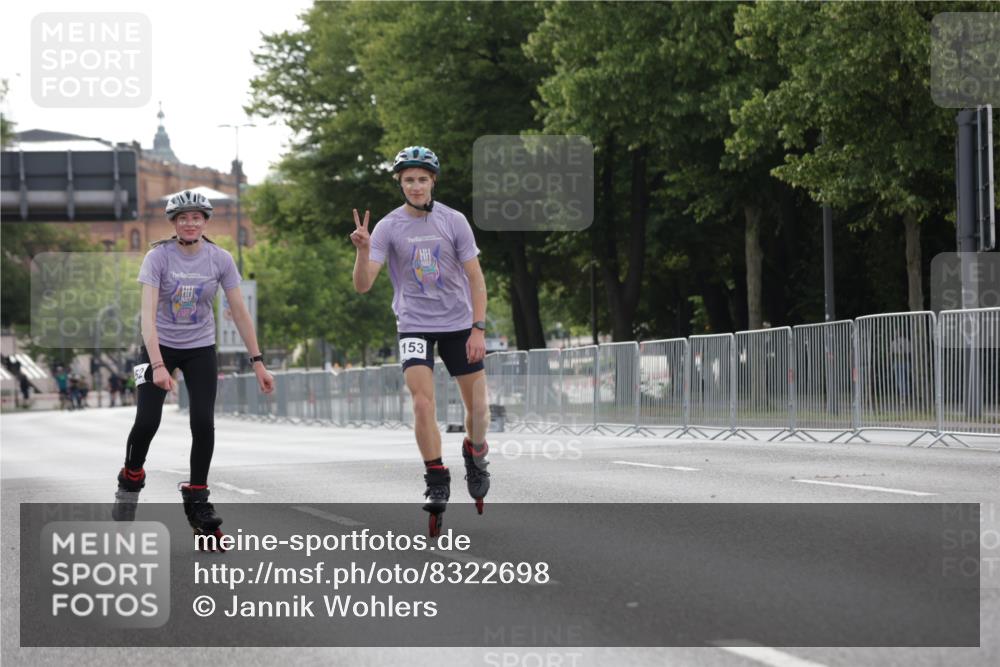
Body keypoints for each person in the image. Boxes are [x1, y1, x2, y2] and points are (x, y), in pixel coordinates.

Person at [113, 189, 275, 542]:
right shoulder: (158, 257)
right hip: (159, 346)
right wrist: (157, 365)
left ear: (205, 222)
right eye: (183, 218)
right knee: (147, 421)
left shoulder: (220, 259)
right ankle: (131, 477)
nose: (190, 223)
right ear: (174, 223)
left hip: (200, 346)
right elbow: (147, 317)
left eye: (196, 218)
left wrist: (258, 362)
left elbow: (240, 313)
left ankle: (198, 497)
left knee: (203, 422)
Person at [350, 146, 491, 536]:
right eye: (408, 179)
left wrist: (478, 328)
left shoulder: (454, 221)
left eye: (422, 179)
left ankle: (475, 453)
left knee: (478, 407)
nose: (415, 186)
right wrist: (362, 252)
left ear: (433, 182)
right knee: (422, 401)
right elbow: (363, 286)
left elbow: (476, 278)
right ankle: (435, 476)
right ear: (400, 182)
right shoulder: (389, 227)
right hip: (414, 323)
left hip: (460, 322)